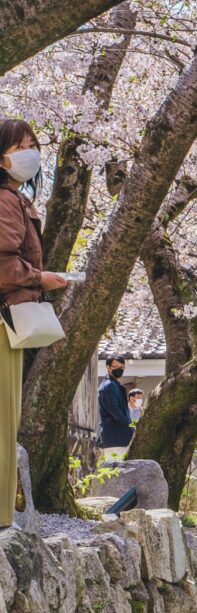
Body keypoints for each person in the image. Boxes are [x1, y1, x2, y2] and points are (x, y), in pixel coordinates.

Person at [0, 119, 67, 530]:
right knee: (5, 416)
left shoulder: (15, 199)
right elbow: (5, 265)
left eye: (34, 144)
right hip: (4, 316)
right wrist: (40, 278)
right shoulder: (6, 200)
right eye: (21, 145)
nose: (30, 152)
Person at [98, 356, 134, 460]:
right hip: (116, 437)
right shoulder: (109, 386)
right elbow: (115, 411)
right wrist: (128, 425)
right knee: (117, 471)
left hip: (118, 437)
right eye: (116, 366)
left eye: (122, 367)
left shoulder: (113, 385)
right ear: (108, 367)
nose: (120, 370)